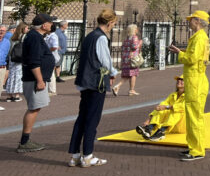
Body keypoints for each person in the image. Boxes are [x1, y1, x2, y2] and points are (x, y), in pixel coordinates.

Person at [67, 9, 119, 167]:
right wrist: (113, 72)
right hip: (96, 82)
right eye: (114, 24)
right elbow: (105, 60)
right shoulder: (101, 38)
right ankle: (88, 156)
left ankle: (75, 155)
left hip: (84, 81)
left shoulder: (89, 36)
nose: (113, 26)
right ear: (109, 23)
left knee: (82, 118)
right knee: (92, 119)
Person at [169, 10, 210, 162]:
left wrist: (180, 54)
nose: (189, 22)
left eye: (191, 19)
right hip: (196, 80)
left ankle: (197, 150)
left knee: (195, 117)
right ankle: (194, 146)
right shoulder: (201, 37)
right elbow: (196, 56)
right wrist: (182, 51)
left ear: (197, 21)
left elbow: (191, 59)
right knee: (193, 116)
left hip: (195, 82)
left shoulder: (199, 38)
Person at [17, 13, 56, 153]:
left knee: (35, 108)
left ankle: (25, 141)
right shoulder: (35, 37)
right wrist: (39, 80)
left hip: (35, 79)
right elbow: (34, 61)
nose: (52, 25)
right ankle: (24, 142)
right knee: (34, 108)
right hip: (34, 80)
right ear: (44, 25)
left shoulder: (35, 36)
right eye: (50, 22)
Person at [136, 76, 186, 141]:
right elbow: (162, 105)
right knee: (161, 107)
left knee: (177, 110)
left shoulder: (189, 96)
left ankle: (161, 132)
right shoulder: (173, 95)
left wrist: (167, 107)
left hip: (183, 127)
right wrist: (149, 120)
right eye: (178, 79)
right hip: (172, 128)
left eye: (182, 80)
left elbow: (183, 107)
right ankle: (149, 129)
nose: (179, 81)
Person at [112, 24, 142, 97]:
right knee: (133, 74)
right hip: (132, 59)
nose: (137, 30)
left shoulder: (127, 38)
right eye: (136, 28)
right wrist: (140, 43)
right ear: (134, 30)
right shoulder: (134, 37)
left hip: (125, 59)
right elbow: (134, 47)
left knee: (128, 75)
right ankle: (126, 89)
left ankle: (129, 90)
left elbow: (123, 48)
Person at [5, 22, 29, 102]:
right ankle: (16, 95)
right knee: (18, 76)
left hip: (12, 57)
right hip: (19, 58)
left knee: (11, 76)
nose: (27, 29)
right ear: (23, 28)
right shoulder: (24, 37)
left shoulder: (13, 37)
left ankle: (10, 95)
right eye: (26, 28)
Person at [45, 26, 60, 95]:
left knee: (51, 72)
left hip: (51, 56)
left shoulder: (53, 36)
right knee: (49, 72)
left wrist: (46, 50)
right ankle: (49, 89)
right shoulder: (48, 35)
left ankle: (52, 90)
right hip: (48, 56)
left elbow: (54, 47)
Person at [0, 24, 9, 101]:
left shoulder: (7, 42)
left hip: (2, 67)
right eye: (0, 30)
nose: (1, 32)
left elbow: (7, 54)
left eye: (3, 31)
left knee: (0, 86)